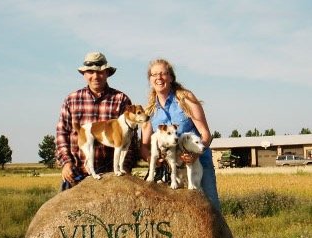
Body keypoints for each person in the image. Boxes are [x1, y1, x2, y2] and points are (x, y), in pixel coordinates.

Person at [141, 58, 221, 211]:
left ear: (171, 77)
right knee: (177, 213)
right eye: (154, 74)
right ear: (150, 80)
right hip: (171, 169)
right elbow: (144, 147)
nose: (159, 78)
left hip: (198, 164)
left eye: (163, 74)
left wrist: (195, 155)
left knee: (210, 208)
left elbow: (206, 134)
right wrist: (153, 160)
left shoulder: (186, 99)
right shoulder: (150, 110)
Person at [56, 52, 137, 188]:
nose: (95, 76)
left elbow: (131, 138)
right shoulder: (72, 100)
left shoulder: (121, 99)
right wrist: (66, 163)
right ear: (84, 74)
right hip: (77, 173)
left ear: (107, 73)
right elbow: (61, 133)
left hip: (110, 174)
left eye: (100, 72)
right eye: (90, 72)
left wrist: (126, 166)